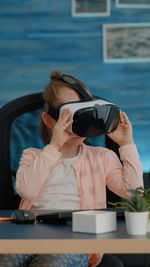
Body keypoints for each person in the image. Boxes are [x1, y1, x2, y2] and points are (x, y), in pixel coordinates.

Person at [15, 70, 143, 267]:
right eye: (68, 117)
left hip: (78, 241)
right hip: (29, 238)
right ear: (48, 120)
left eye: (83, 114)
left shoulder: (102, 157)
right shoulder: (32, 156)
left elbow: (134, 194)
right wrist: (54, 147)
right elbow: (26, 190)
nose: (77, 124)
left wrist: (127, 144)